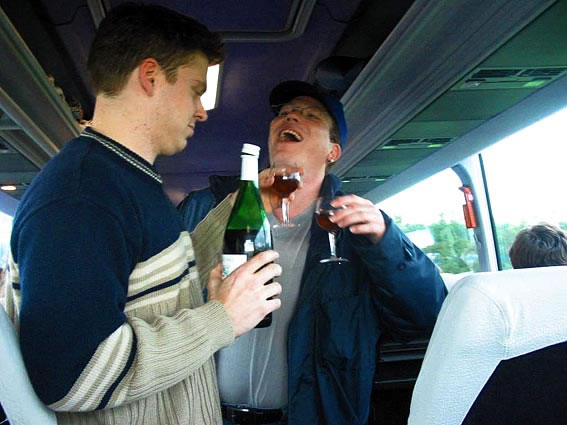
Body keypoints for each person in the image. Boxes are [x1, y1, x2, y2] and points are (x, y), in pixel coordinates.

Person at [2, 3, 282, 424]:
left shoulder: (128, 178)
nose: (202, 110)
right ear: (150, 76)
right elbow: (72, 376)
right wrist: (221, 319)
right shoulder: (82, 195)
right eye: (195, 90)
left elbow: (164, 282)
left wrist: (244, 204)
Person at [179, 80, 447, 425]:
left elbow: (425, 317)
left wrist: (387, 241)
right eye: (284, 113)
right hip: (203, 415)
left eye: (310, 115)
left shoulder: (358, 232)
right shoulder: (206, 209)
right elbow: (158, 293)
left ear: (332, 152)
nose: (290, 117)